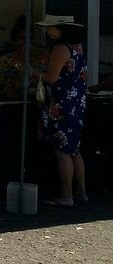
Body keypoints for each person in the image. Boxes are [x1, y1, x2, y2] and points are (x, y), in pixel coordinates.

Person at [35, 17, 89, 207]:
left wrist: (30, 72)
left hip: (61, 104)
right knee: (74, 150)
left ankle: (67, 195)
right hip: (76, 103)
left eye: (52, 28)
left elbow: (51, 78)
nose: (49, 31)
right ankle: (80, 191)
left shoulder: (60, 49)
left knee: (62, 152)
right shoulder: (78, 47)